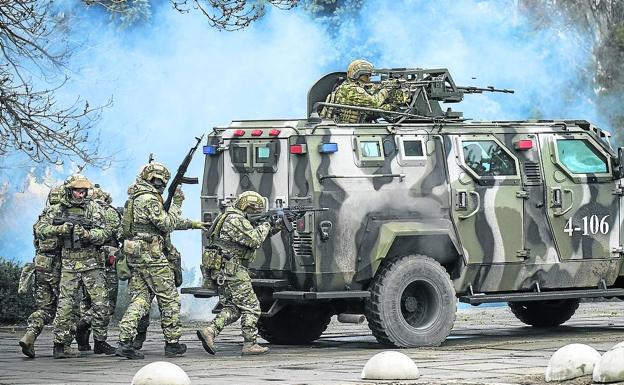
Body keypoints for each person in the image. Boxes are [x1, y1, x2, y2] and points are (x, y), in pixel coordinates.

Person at [115, 162, 205, 359]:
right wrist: (178, 204)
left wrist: (192, 224)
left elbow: (155, 224)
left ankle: (125, 341)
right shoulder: (149, 199)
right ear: (151, 179)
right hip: (152, 256)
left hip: (137, 257)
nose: (161, 185)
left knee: (140, 299)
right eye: (159, 181)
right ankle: (172, 343)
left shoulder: (136, 198)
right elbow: (166, 223)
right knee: (169, 298)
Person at [36, 174, 116, 359]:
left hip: (91, 262)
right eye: (77, 191)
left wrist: (88, 234)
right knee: (65, 305)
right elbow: (40, 229)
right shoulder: (57, 210)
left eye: (84, 191)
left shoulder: (93, 208)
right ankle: (60, 345)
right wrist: (60, 229)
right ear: (69, 190)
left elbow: (104, 232)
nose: (81, 195)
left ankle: (100, 341)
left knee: (101, 303)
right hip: (69, 262)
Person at [196, 191, 282, 356]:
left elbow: (251, 237)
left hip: (224, 270)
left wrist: (275, 225)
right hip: (233, 270)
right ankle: (250, 343)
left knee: (234, 308)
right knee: (252, 307)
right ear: (246, 206)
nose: (255, 213)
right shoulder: (236, 220)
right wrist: (266, 224)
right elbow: (255, 240)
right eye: (253, 209)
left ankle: (210, 331)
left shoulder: (227, 216)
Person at [19, 185, 72, 358]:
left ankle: (30, 335)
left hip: (40, 265)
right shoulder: (65, 216)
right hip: (58, 266)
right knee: (67, 306)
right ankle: (64, 345)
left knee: (45, 308)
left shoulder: (42, 217)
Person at [75, 185, 121, 351]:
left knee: (87, 300)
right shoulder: (108, 211)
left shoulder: (81, 211)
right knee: (106, 304)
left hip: (87, 262)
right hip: (106, 262)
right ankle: (95, 337)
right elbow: (119, 233)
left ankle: (83, 342)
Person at [321, 59, 392, 123]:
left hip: (351, 128)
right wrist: (386, 90)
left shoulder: (348, 86)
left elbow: (370, 111)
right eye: (366, 76)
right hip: (347, 130)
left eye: (370, 76)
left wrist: (392, 106)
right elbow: (374, 102)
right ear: (357, 75)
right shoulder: (351, 89)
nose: (369, 79)